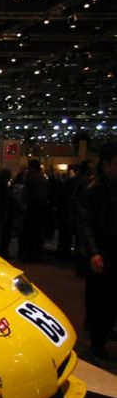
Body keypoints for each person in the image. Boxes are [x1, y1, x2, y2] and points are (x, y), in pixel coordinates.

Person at [75, 141, 117, 360]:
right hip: (101, 250)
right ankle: (97, 339)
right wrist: (93, 252)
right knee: (98, 297)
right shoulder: (92, 189)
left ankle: (106, 329)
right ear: (106, 164)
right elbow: (84, 222)